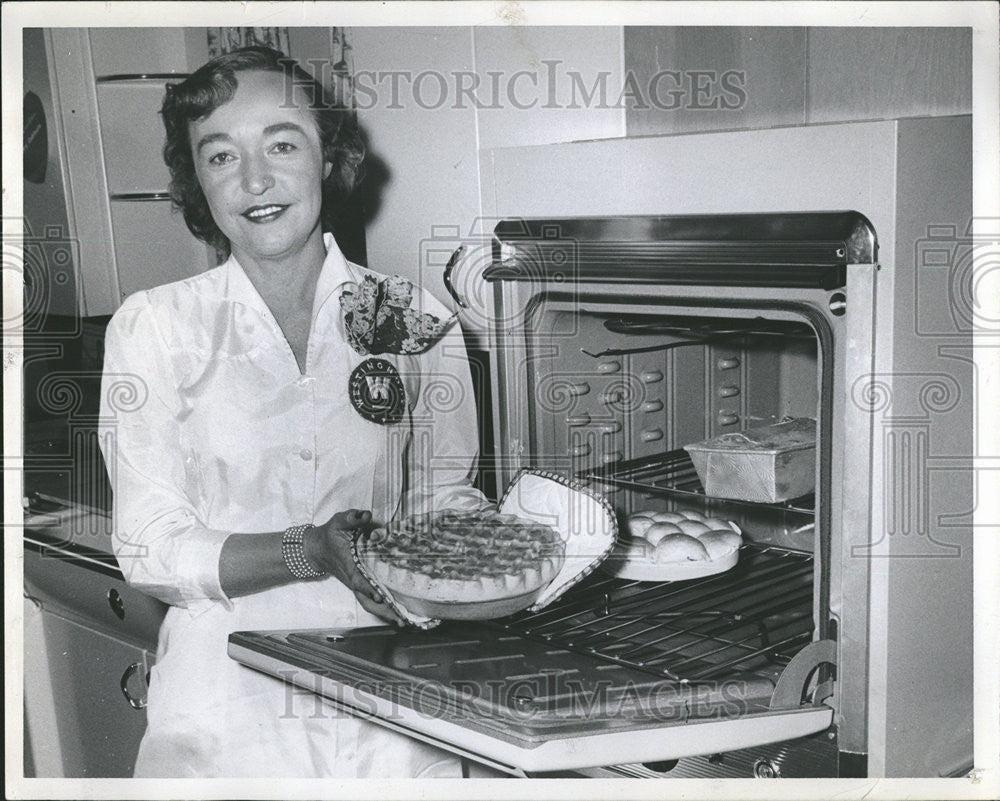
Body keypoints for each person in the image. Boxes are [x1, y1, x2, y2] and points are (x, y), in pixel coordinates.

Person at [98, 46, 489, 778]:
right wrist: (306, 548)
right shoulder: (156, 327)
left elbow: (445, 499)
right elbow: (150, 546)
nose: (255, 180)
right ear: (198, 184)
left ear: (327, 157)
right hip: (226, 708)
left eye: (282, 143)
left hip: (393, 699)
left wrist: (467, 569)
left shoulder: (413, 318)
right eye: (220, 156)